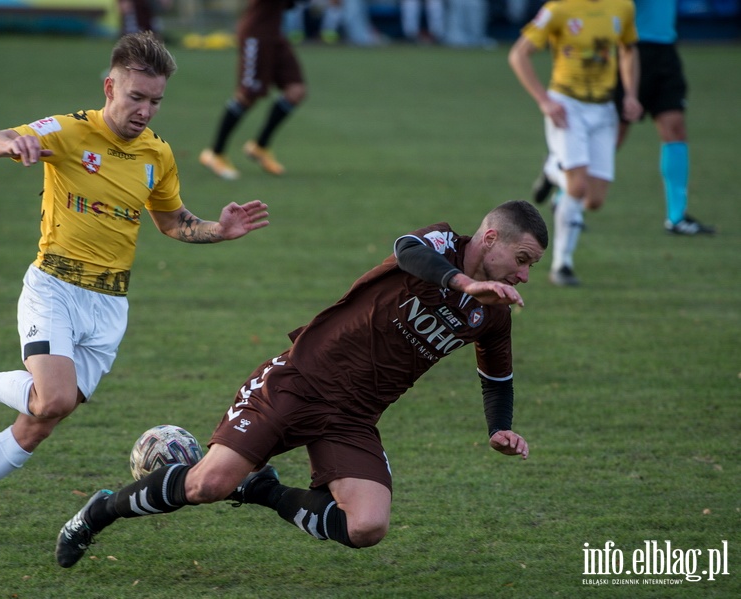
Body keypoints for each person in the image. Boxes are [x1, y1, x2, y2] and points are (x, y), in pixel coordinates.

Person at [0, 32, 270, 548]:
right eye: (136, 97)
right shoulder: (70, 132)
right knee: (51, 399)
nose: (145, 110)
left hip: (109, 305)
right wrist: (12, 142)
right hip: (53, 287)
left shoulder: (157, 155)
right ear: (109, 87)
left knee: (39, 422)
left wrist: (217, 229)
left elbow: (171, 222)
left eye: (156, 101)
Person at [54, 200, 548, 568]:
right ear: (488, 238)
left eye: (532, 266)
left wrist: (499, 429)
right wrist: (465, 283)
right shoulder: (441, 244)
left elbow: (497, 380)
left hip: (353, 419)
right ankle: (98, 513)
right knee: (207, 484)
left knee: (368, 526)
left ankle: (264, 490)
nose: (524, 275)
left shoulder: (492, 314)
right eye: (522, 258)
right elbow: (408, 251)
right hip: (298, 382)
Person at [530, 0, 715, 236]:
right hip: (625, 48)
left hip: (665, 47)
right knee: (615, 136)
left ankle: (676, 217)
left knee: (675, 128)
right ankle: (563, 188)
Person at [508, 0, 641, 286]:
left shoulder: (622, 7)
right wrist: (544, 101)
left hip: (604, 110)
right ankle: (562, 265)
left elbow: (629, 49)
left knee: (594, 200)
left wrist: (630, 94)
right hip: (567, 106)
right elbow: (519, 54)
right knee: (577, 187)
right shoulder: (558, 10)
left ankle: (552, 169)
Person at [199, 0, 308, 180]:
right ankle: (215, 153)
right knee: (247, 95)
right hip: (256, 35)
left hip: (274, 34)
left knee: (296, 90)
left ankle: (260, 146)